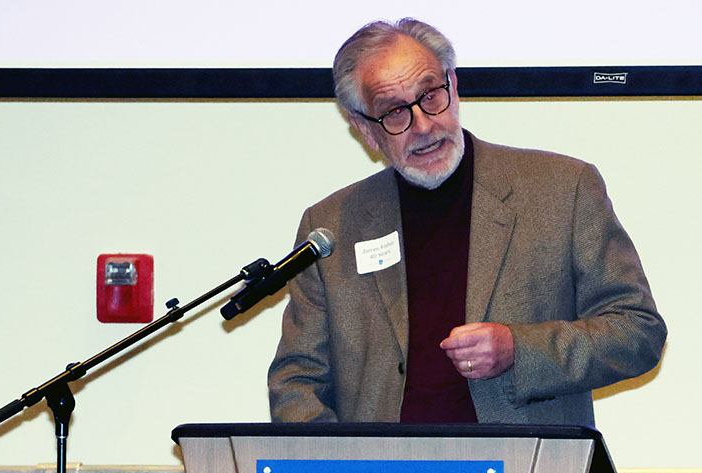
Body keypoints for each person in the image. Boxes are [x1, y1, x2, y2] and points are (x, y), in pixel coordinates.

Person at [267, 18, 666, 427]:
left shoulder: (563, 190)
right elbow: (297, 381)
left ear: (453, 88)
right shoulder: (332, 227)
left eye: (430, 96)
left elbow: (637, 332)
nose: (423, 125)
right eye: (395, 113)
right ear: (364, 129)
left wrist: (520, 349)